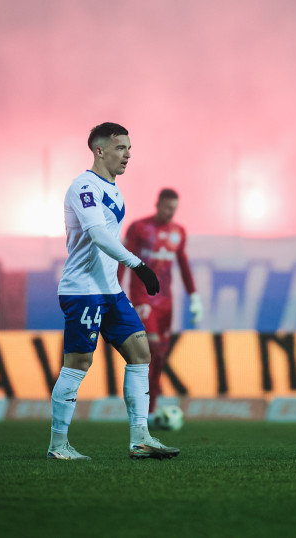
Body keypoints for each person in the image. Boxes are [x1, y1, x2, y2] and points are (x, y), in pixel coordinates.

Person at [48, 122, 179, 461]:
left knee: (141, 355)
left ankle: (141, 439)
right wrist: (139, 265)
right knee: (79, 362)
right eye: (122, 148)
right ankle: (58, 445)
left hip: (109, 292)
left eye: (129, 148)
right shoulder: (84, 187)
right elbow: (98, 236)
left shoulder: (114, 190)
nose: (129, 154)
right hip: (83, 290)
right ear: (100, 150)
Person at [121, 188, 203, 426]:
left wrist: (194, 296)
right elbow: (122, 259)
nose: (170, 213)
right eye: (167, 208)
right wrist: (114, 291)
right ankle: (142, 409)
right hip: (143, 297)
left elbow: (183, 264)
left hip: (167, 302)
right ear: (157, 204)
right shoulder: (139, 228)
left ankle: (150, 410)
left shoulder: (179, 232)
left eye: (174, 209)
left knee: (161, 355)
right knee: (152, 349)